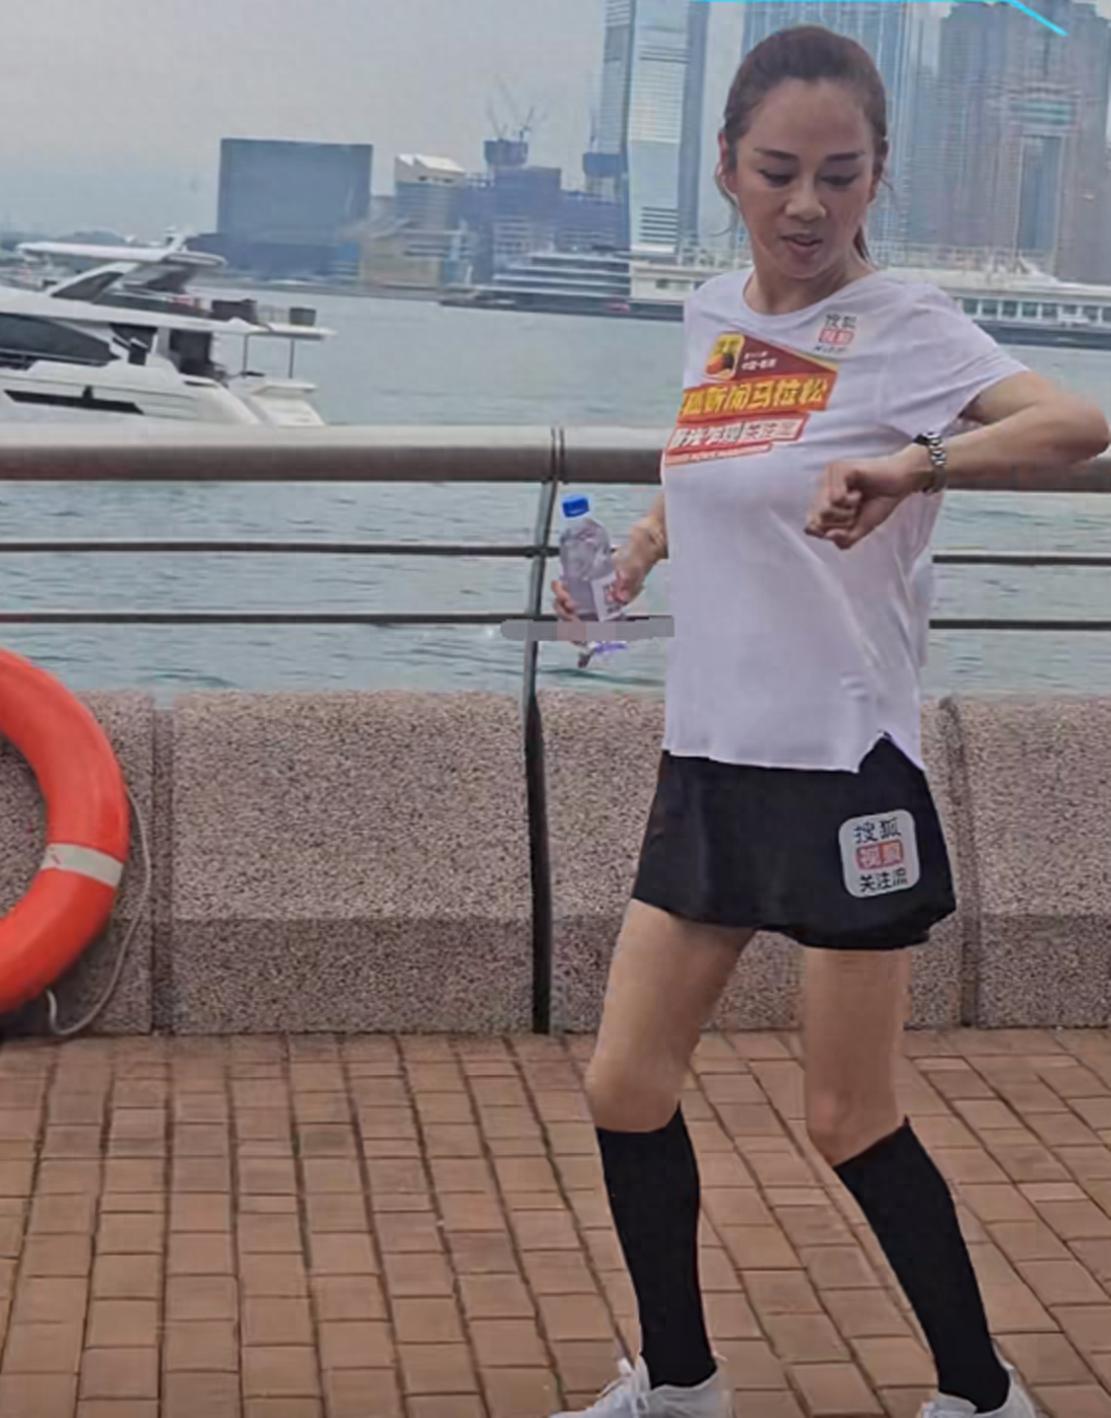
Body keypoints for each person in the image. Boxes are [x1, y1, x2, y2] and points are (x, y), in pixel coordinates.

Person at [550, 24, 1108, 1418]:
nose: (808, 204)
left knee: (849, 1117)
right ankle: (680, 1383)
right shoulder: (712, 315)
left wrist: (917, 465)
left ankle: (982, 1396)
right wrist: (649, 542)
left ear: (878, 175)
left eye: (841, 175)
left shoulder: (909, 324)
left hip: (845, 767)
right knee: (626, 1084)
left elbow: (1076, 422)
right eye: (779, 171)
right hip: (711, 757)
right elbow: (721, 459)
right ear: (727, 168)